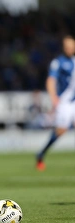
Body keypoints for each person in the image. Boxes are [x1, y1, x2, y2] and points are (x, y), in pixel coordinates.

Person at [36, 35, 75, 171]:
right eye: (67, 47)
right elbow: (51, 80)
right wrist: (53, 97)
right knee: (61, 130)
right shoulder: (58, 62)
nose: (70, 49)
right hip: (64, 101)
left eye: (72, 46)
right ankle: (41, 153)